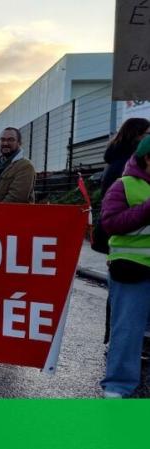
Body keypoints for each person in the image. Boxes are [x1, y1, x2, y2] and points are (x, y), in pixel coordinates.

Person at [100, 135, 150, 398]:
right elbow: (111, 222)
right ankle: (117, 387)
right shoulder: (124, 186)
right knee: (128, 331)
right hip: (132, 270)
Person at [0, 127, 36, 203]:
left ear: (19, 143)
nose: (5, 143)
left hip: (12, 214)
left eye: (11, 140)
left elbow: (15, 198)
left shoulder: (25, 166)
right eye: (2, 140)